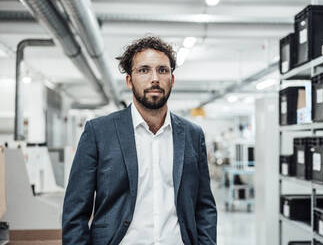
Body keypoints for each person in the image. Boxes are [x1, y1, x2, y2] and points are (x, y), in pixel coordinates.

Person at [62, 36, 217, 245]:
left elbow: (204, 206)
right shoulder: (98, 132)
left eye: (162, 70)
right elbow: (75, 212)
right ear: (129, 80)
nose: (154, 78)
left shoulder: (192, 134)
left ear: (172, 78)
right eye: (144, 70)